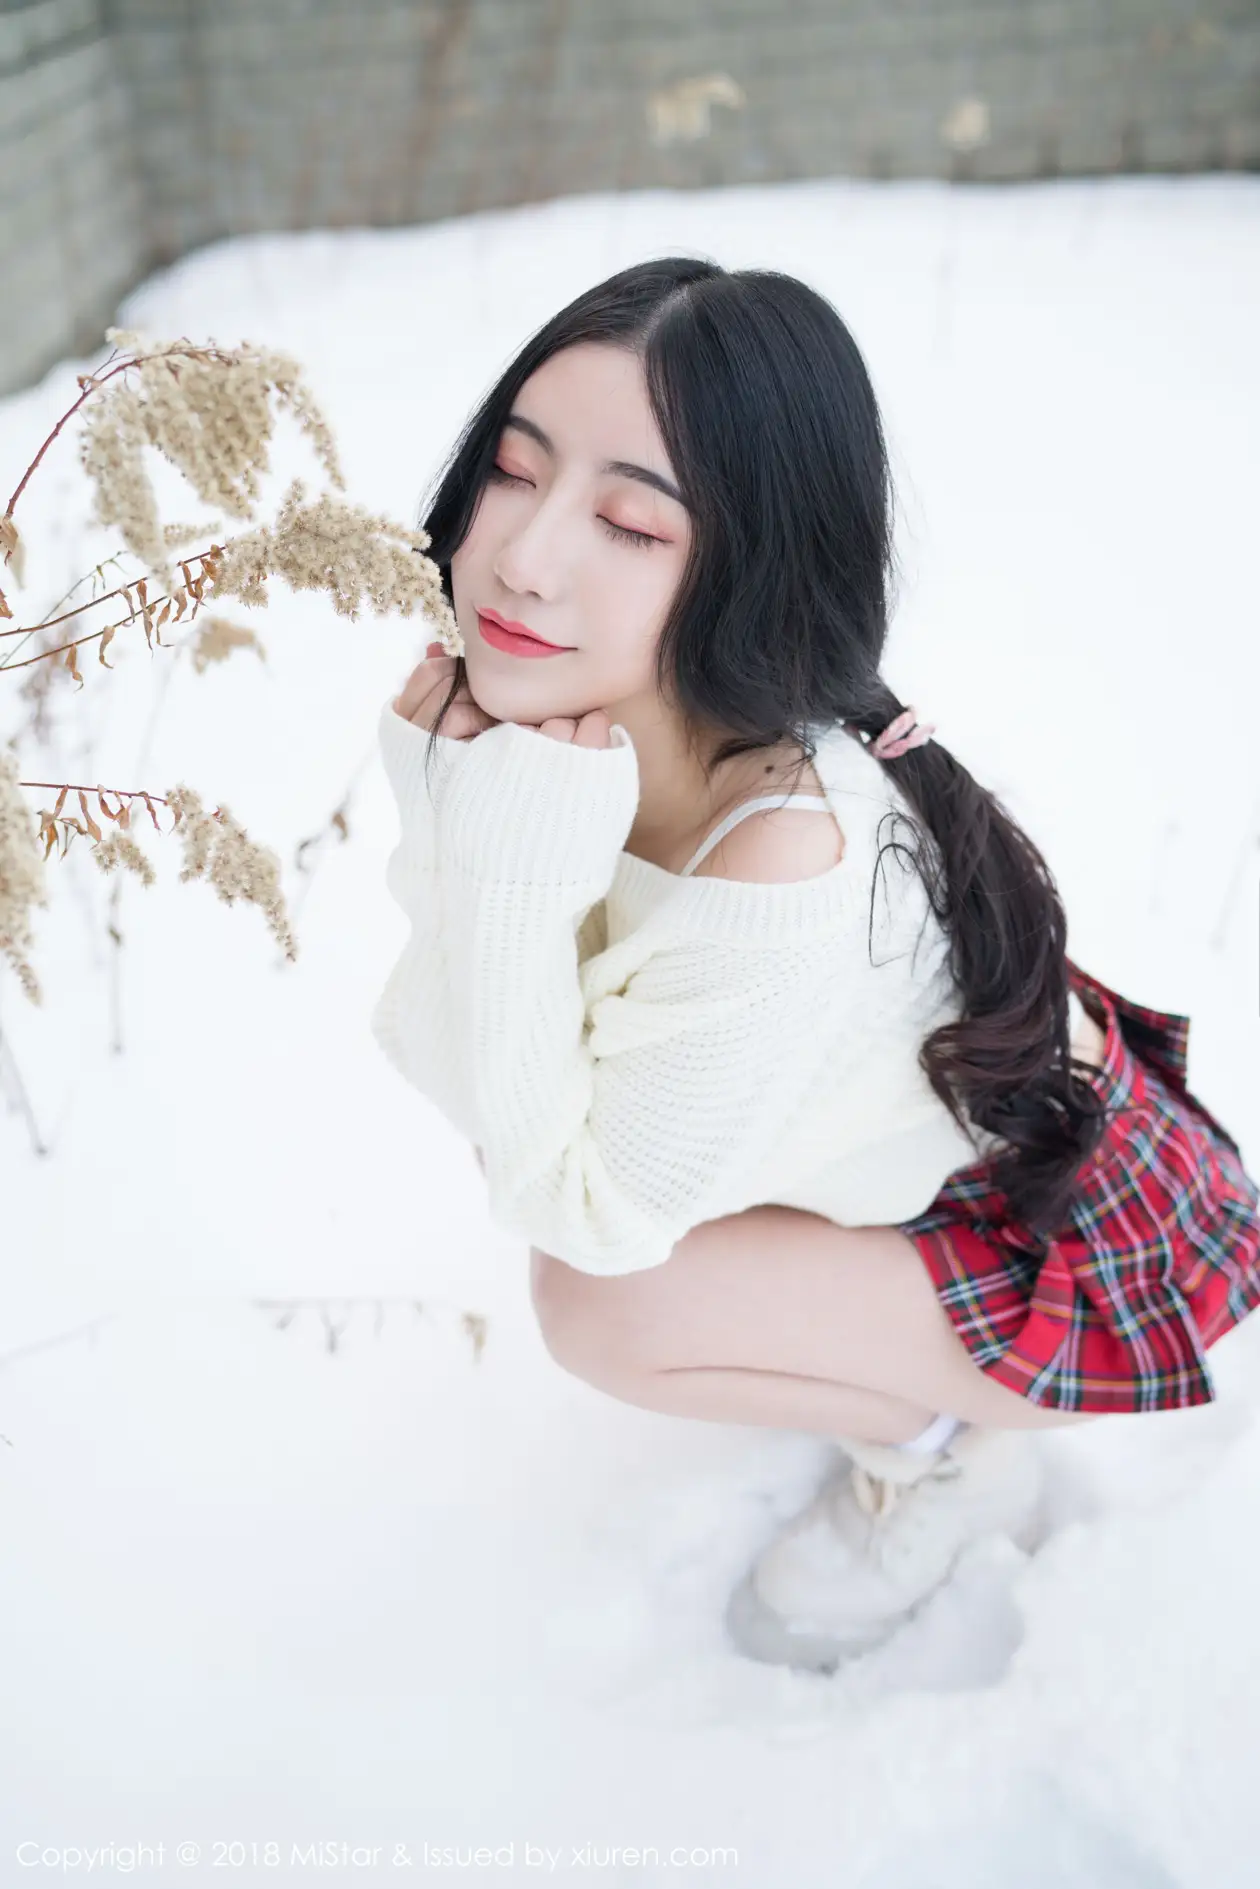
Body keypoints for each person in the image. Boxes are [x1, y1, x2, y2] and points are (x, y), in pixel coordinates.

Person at [371, 256, 1260, 1675]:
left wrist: (490, 864)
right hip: (894, 1158)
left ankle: (953, 1454)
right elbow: (462, 1063)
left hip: (1064, 1236)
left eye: (629, 524)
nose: (525, 557)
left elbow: (578, 1205)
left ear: (756, 565)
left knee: (602, 1302)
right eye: (514, 473)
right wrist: (464, 830)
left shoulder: (783, 855)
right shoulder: (584, 737)